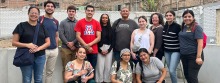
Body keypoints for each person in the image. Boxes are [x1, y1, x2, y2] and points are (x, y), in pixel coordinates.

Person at [12, 6, 50, 83]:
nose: (34, 14)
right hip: (26, 56)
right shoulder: (21, 26)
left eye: (36, 13)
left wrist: (38, 48)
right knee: (27, 79)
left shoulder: (42, 27)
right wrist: (27, 45)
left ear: (39, 15)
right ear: (28, 14)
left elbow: (48, 42)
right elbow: (14, 42)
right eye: (32, 13)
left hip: (40, 56)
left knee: (39, 79)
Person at [178, 10, 204, 83]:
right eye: (185, 17)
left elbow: (200, 43)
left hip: (194, 55)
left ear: (193, 17)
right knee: (187, 75)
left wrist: (198, 57)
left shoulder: (197, 27)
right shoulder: (184, 27)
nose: (187, 18)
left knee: (192, 77)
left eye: (189, 16)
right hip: (184, 55)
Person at [74, 5, 101, 69]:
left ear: (94, 12)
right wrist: (86, 46)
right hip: (82, 51)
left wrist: (89, 45)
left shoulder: (97, 23)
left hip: (93, 51)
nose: (90, 12)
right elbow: (77, 36)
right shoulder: (80, 22)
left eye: (91, 11)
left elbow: (99, 37)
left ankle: (91, 79)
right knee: (81, 69)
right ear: (85, 11)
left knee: (92, 69)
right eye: (88, 10)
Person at [40, 1, 59, 83]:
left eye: (52, 6)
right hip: (42, 50)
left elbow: (56, 35)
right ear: (44, 7)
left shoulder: (56, 21)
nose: (50, 8)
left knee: (50, 73)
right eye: (48, 6)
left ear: (54, 9)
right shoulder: (39, 19)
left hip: (54, 50)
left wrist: (56, 47)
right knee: (40, 72)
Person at [59, 5, 78, 82]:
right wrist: (68, 44)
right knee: (66, 68)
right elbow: (61, 34)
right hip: (65, 49)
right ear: (67, 12)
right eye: (69, 11)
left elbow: (79, 35)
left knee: (75, 68)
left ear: (75, 13)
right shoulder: (62, 22)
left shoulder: (78, 22)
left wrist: (73, 43)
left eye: (73, 11)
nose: (71, 13)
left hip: (76, 48)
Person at [162, 10, 181, 83]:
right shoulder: (164, 26)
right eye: (167, 15)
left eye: (170, 15)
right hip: (167, 51)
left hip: (175, 51)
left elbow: (181, 39)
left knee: (172, 70)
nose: (168, 17)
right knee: (170, 70)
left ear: (174, 17)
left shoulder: (178, 27)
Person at [95, 14, 113, 82]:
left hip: (109, 48)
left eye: (106, 18)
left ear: (108, 19)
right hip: (100, 48)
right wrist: (100, 50)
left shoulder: (111, 29)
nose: (104, 19)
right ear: (101, 18)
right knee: (100, 66)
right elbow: (96, 40)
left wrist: (108, 50)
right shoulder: (97, 28)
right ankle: (99, 80)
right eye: (103, 18)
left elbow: (113, 41)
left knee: (108, 66)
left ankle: (107, 80)